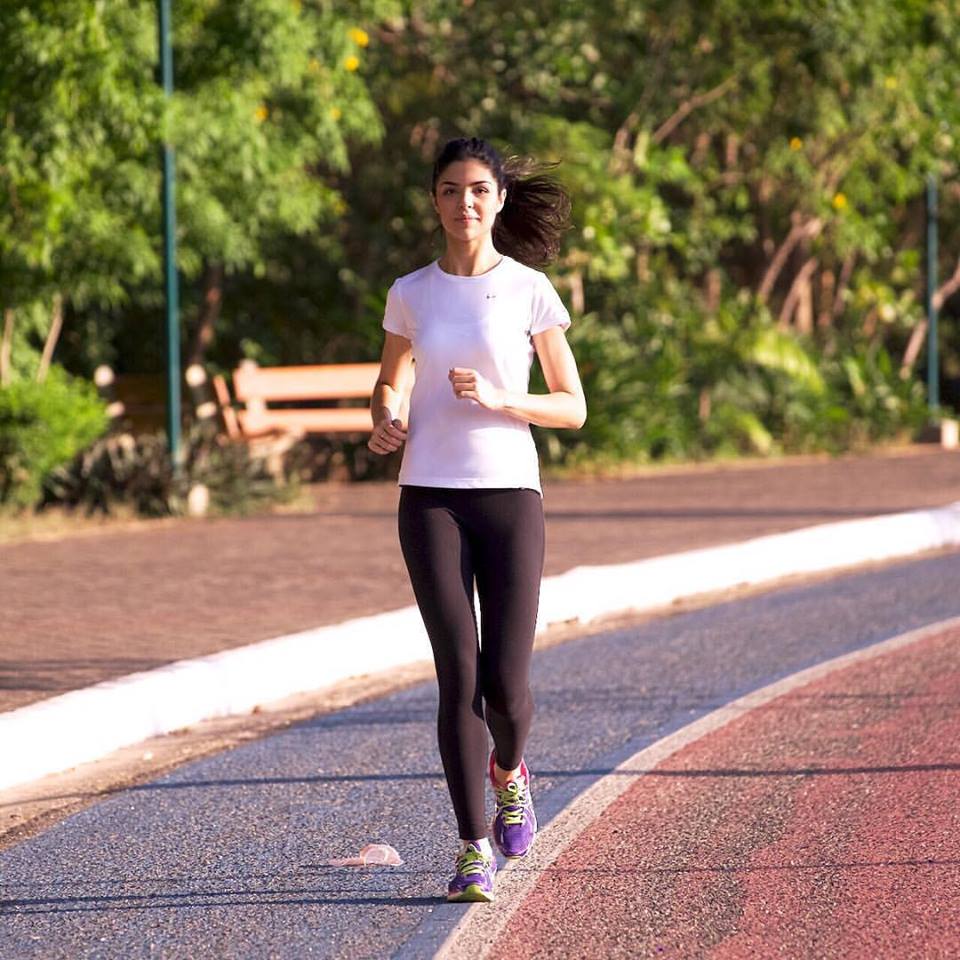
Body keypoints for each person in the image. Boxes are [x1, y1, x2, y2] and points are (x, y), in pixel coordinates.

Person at [368, 136, 586, 903]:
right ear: (435, 200)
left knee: (507, 688)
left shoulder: (530, 289)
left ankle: (511, 772)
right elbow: (390, 380)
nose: (465, 202)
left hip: (509, 497)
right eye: (451, 190)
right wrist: (386, 417)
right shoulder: (412, 292)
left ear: (497, 201)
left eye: (478, 190)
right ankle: (470, 849)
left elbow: (573, 406)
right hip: (428, 495)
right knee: (457, 675)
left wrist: (501, 400)